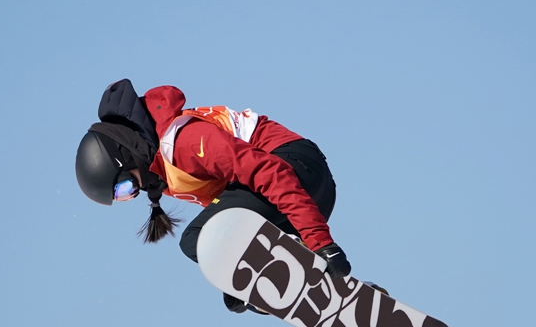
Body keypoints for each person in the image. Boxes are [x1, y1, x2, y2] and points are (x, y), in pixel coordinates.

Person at [75, 79, 351, 313]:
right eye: (125, 197)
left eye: (124, 187)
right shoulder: (167, 172)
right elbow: (238, 213)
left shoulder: (184, 142)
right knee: (219, 253)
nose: (134, 194)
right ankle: (342, 303)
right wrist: (240, 279)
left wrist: (320, 241)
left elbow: (269, 172)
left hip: (296, 171)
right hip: (302, 195)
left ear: (126, 155)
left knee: (199, 238)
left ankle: (300, 261)